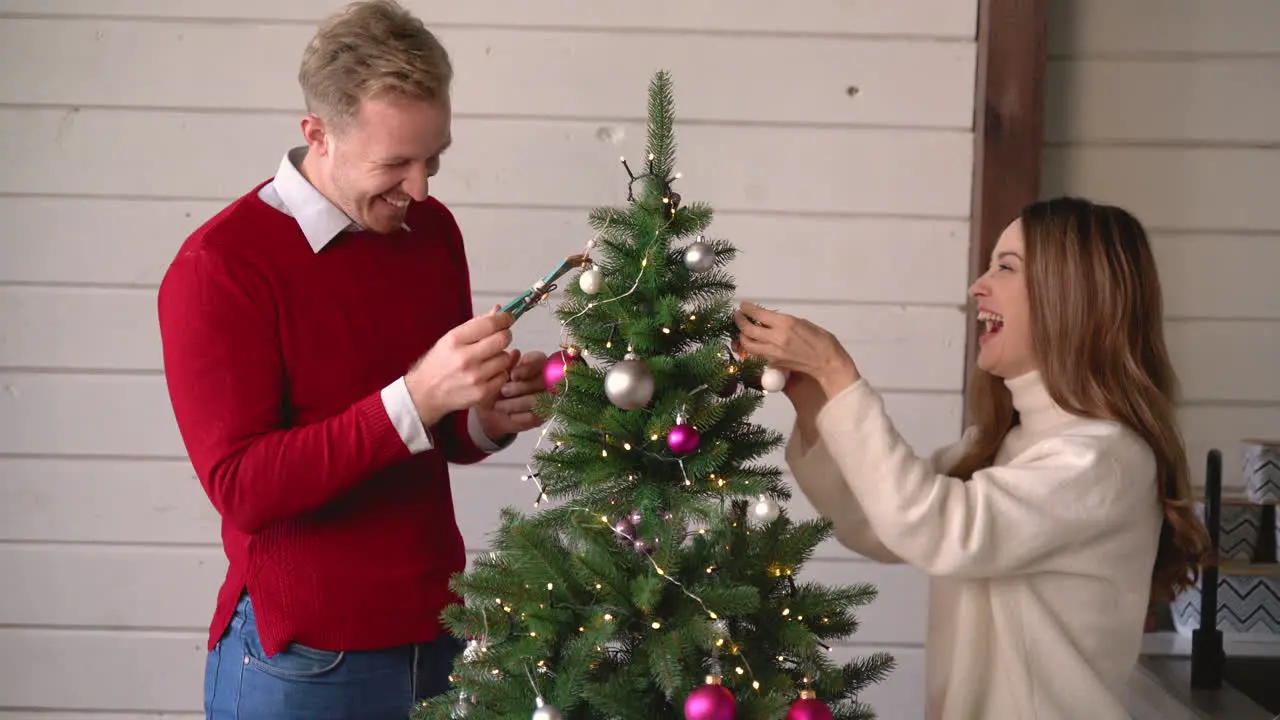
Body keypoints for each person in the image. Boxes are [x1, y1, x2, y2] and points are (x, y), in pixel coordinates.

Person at [156, 2, 549, 717]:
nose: (421, 189)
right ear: (317, 135)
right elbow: (242, 486)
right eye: (395, 162)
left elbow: (435, 439)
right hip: (304, 663)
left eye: (434, 159)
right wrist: (418, 396)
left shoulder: (429, 232)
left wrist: (486, 418)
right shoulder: (221, 266)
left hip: (439, 635)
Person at [732, 196, 1210, 719]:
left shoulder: (1102, 460)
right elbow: (875, 522)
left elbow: (938, 529)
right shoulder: (1004, 443)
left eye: (1006, 267)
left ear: (1071, 296)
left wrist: (837, 372)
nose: (977, 286)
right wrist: (814, 400)